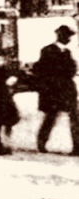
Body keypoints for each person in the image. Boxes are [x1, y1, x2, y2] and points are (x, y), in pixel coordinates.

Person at [32, 24, 79, 154]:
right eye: (67, 36)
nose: (69, 39)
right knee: (51, 117)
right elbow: (41, 70)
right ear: (60, 36)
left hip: (67, 90)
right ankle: (41, 143)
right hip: (53, 91)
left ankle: (77, 146)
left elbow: (72, 70)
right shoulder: (48, 51)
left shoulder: (67, 52)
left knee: (74, 118)